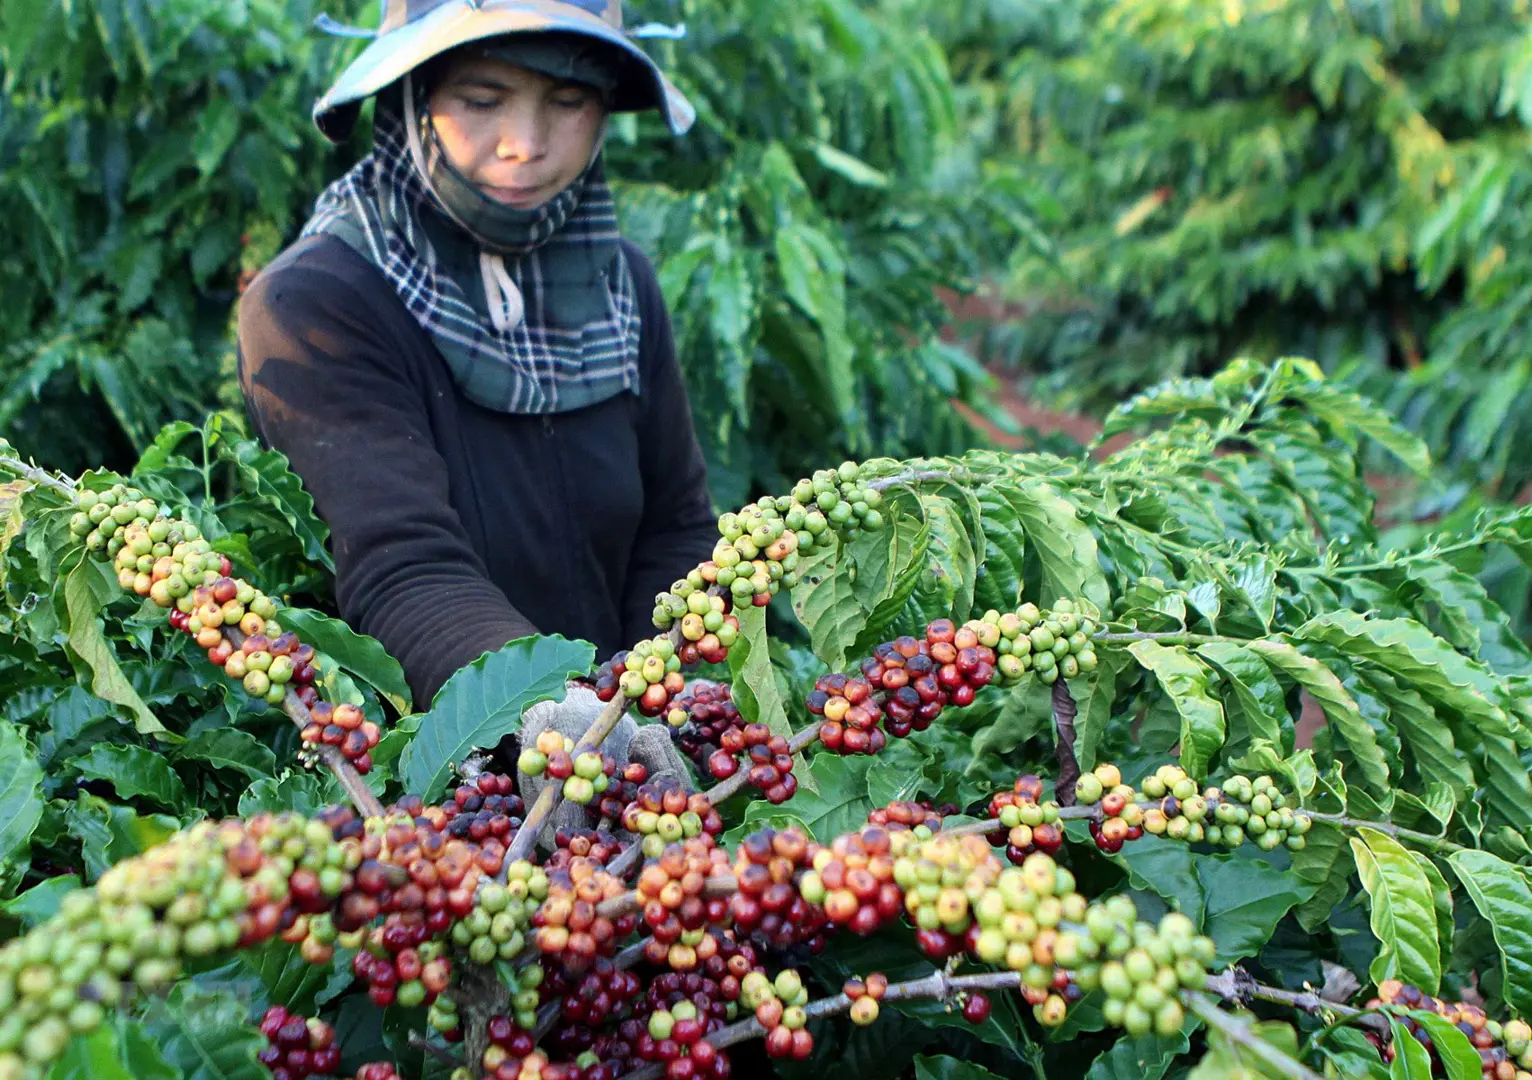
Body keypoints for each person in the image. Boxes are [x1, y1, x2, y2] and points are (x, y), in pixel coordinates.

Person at [237, 0, 720, 724]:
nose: (526, 143)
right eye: (481, 99)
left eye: (569, 101)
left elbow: (677, 530)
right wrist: (556, 721)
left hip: (626, 753)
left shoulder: (619, 283)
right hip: (429, 779)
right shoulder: (315, 303)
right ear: (412, 95)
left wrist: (666, 707)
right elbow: (404, 565)